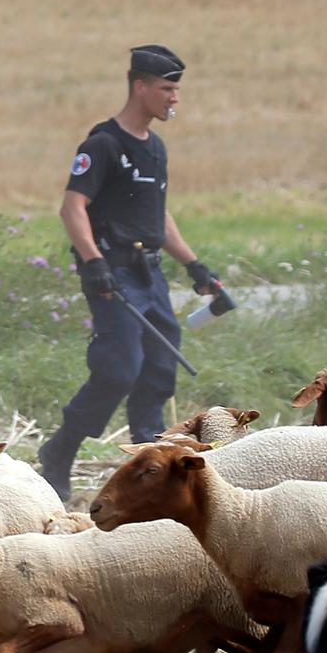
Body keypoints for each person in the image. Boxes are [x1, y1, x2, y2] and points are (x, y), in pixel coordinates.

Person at [36, 45, 223, 501]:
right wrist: (95, 263)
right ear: (139, 86)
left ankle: (149, 465)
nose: (174, 98)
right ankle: (59, 451)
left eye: (176, 89)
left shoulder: (154, 149)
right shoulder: (103, 145)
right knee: (120, 368)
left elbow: (157, 218)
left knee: (160, 367)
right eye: (166, 88)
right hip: (112, 273)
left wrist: (194, 266)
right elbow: (72, 206)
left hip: (150, 273)